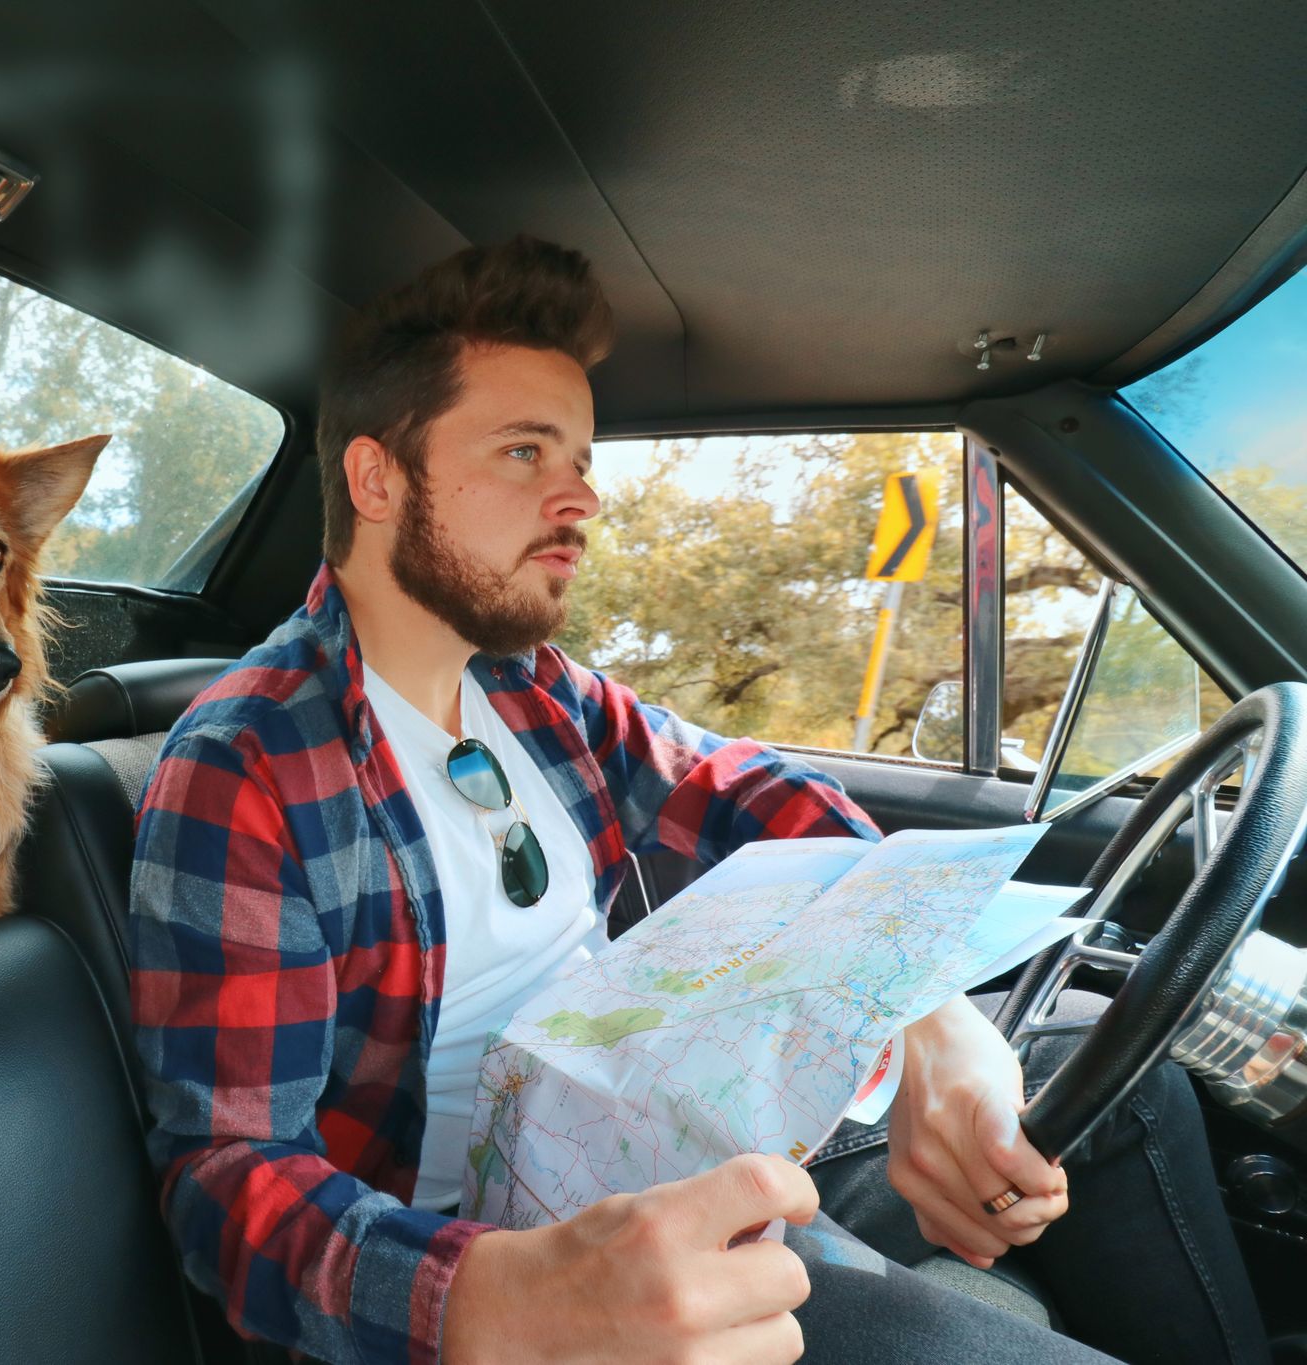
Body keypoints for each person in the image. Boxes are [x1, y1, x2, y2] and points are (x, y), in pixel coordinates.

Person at [127, 237, 1265, 1365]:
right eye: (526, 452)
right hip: (505, 1262)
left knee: (1129, 1093)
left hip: (663, 1138)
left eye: (578, 457)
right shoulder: (249, 763)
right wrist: (493, 1299)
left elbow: (753, 792)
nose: (578, 497)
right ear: (377, 479)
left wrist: (928, 1017)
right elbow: (224, 1182)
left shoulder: (531, 692)